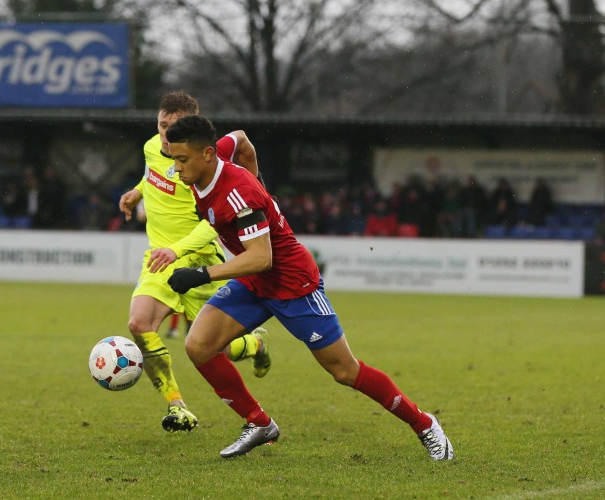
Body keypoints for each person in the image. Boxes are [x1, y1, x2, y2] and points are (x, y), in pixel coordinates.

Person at [165, 115, 454, 460]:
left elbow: (261, 258)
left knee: (345, 372)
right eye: (174, 159)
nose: (177, 169)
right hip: (254, 282)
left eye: (182, 160)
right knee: (199, 345)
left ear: (208, 154)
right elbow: (241, 139)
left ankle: (425, 425)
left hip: (291, 283)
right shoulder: (214, 162)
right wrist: (260, 181)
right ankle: (259, 423)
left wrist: (201, 274)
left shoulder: (238, 196)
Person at [117, 92, 271, 433]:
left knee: (217, 349)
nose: (165, 136)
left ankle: (256, 343)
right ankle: (177, 406)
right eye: (161, 126)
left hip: (199, 260)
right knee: (139, 325)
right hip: (159, 258)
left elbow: (214, 221)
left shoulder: (203, 166)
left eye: (173, 129)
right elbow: (153, 175)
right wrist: (137, 192)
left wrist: (179, 250)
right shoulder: (150, 148)